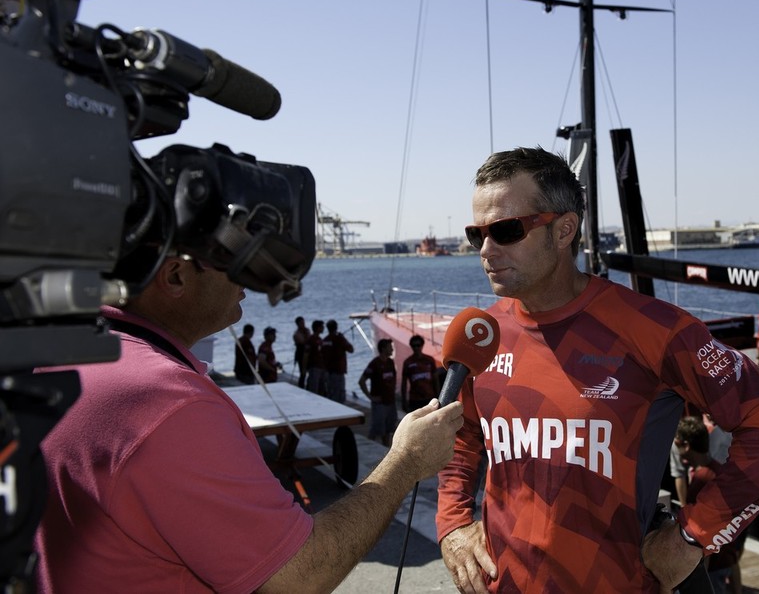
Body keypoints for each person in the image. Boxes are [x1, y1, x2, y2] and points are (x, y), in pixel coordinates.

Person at [436, 147, 759, 593]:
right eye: (477, 235)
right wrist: (453, 523)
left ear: (564, 230)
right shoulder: (484, 335)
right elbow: (460, 436)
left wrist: (693, 536)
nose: (487, 250)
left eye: (505, 230)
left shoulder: (653, 329)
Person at [33, 251, 464, 592]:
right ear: (176, 276)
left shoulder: (59, 356)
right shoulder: (169, 403)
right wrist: (407, 459)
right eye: (235, 259)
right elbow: (298, 577)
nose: (251, 279)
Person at [671, 417, 745, 594]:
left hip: (711, 565)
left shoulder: (701, 481)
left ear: (686, 446)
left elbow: (698, 533)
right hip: (726, 557)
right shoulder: (719, 470)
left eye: (676, 444)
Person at [359, 338, 398, 446]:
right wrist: (370, 397)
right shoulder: (375, 364)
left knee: (388, 430)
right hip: (380, 404)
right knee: (376, 430)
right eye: (390, 347)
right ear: (383, 349)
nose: (392, 349)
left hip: (391, 402)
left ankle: (385, 449)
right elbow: (362, 381)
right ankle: (369, 446)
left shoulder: (390, 362)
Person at [402, 334, 439, 412]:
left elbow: (436, 380)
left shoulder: (430, 360)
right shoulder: (407, 362)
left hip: (429, 398)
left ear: (422, 345)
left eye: (418, 345)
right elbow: (404, 384)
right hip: (415, 400)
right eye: (414, 345)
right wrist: (404, 401)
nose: (416, 348)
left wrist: (438, 396)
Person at [321, 319, 355, 403]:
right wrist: (343, 338)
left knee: (330, 393)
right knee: (339, 394)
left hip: (327, 371)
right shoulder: (339, 339)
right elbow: (351, 349)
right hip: (338, 371)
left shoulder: (324, 340)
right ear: (336, 327)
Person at [305, 319, 326, 395]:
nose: (323, 328)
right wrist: (304, 368)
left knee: (322, 389)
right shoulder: (311, 339)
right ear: (317, 328)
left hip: (322, 367)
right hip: (314, 367)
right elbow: (306, 355)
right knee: (313, 389)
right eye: (321, 327)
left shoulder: (320, 339)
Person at [292, 315, 311, 389]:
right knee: (303, 372)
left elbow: (309, 339)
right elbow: (303, 342)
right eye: (301, 323)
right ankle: (301, 386)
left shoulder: (307, 330)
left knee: (310, 371)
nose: (303, 324)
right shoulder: (296, 334)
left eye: (303, 323)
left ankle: (309, 385)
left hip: (308, 353)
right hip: (301, 353)